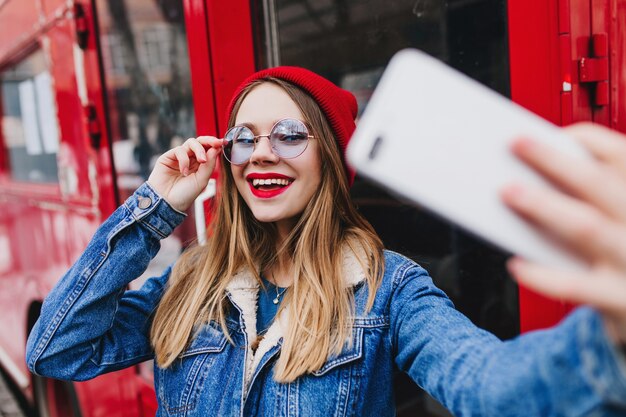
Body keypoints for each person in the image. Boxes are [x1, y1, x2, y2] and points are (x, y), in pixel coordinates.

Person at [26, 67, 626, 416]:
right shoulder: (192, 279)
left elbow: (487, 384)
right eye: (245, 136)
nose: (262, 151)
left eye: (290, 135)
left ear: (332, 162)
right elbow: (57, 350)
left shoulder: (389, 289)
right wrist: (154, 209)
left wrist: (610, 344)